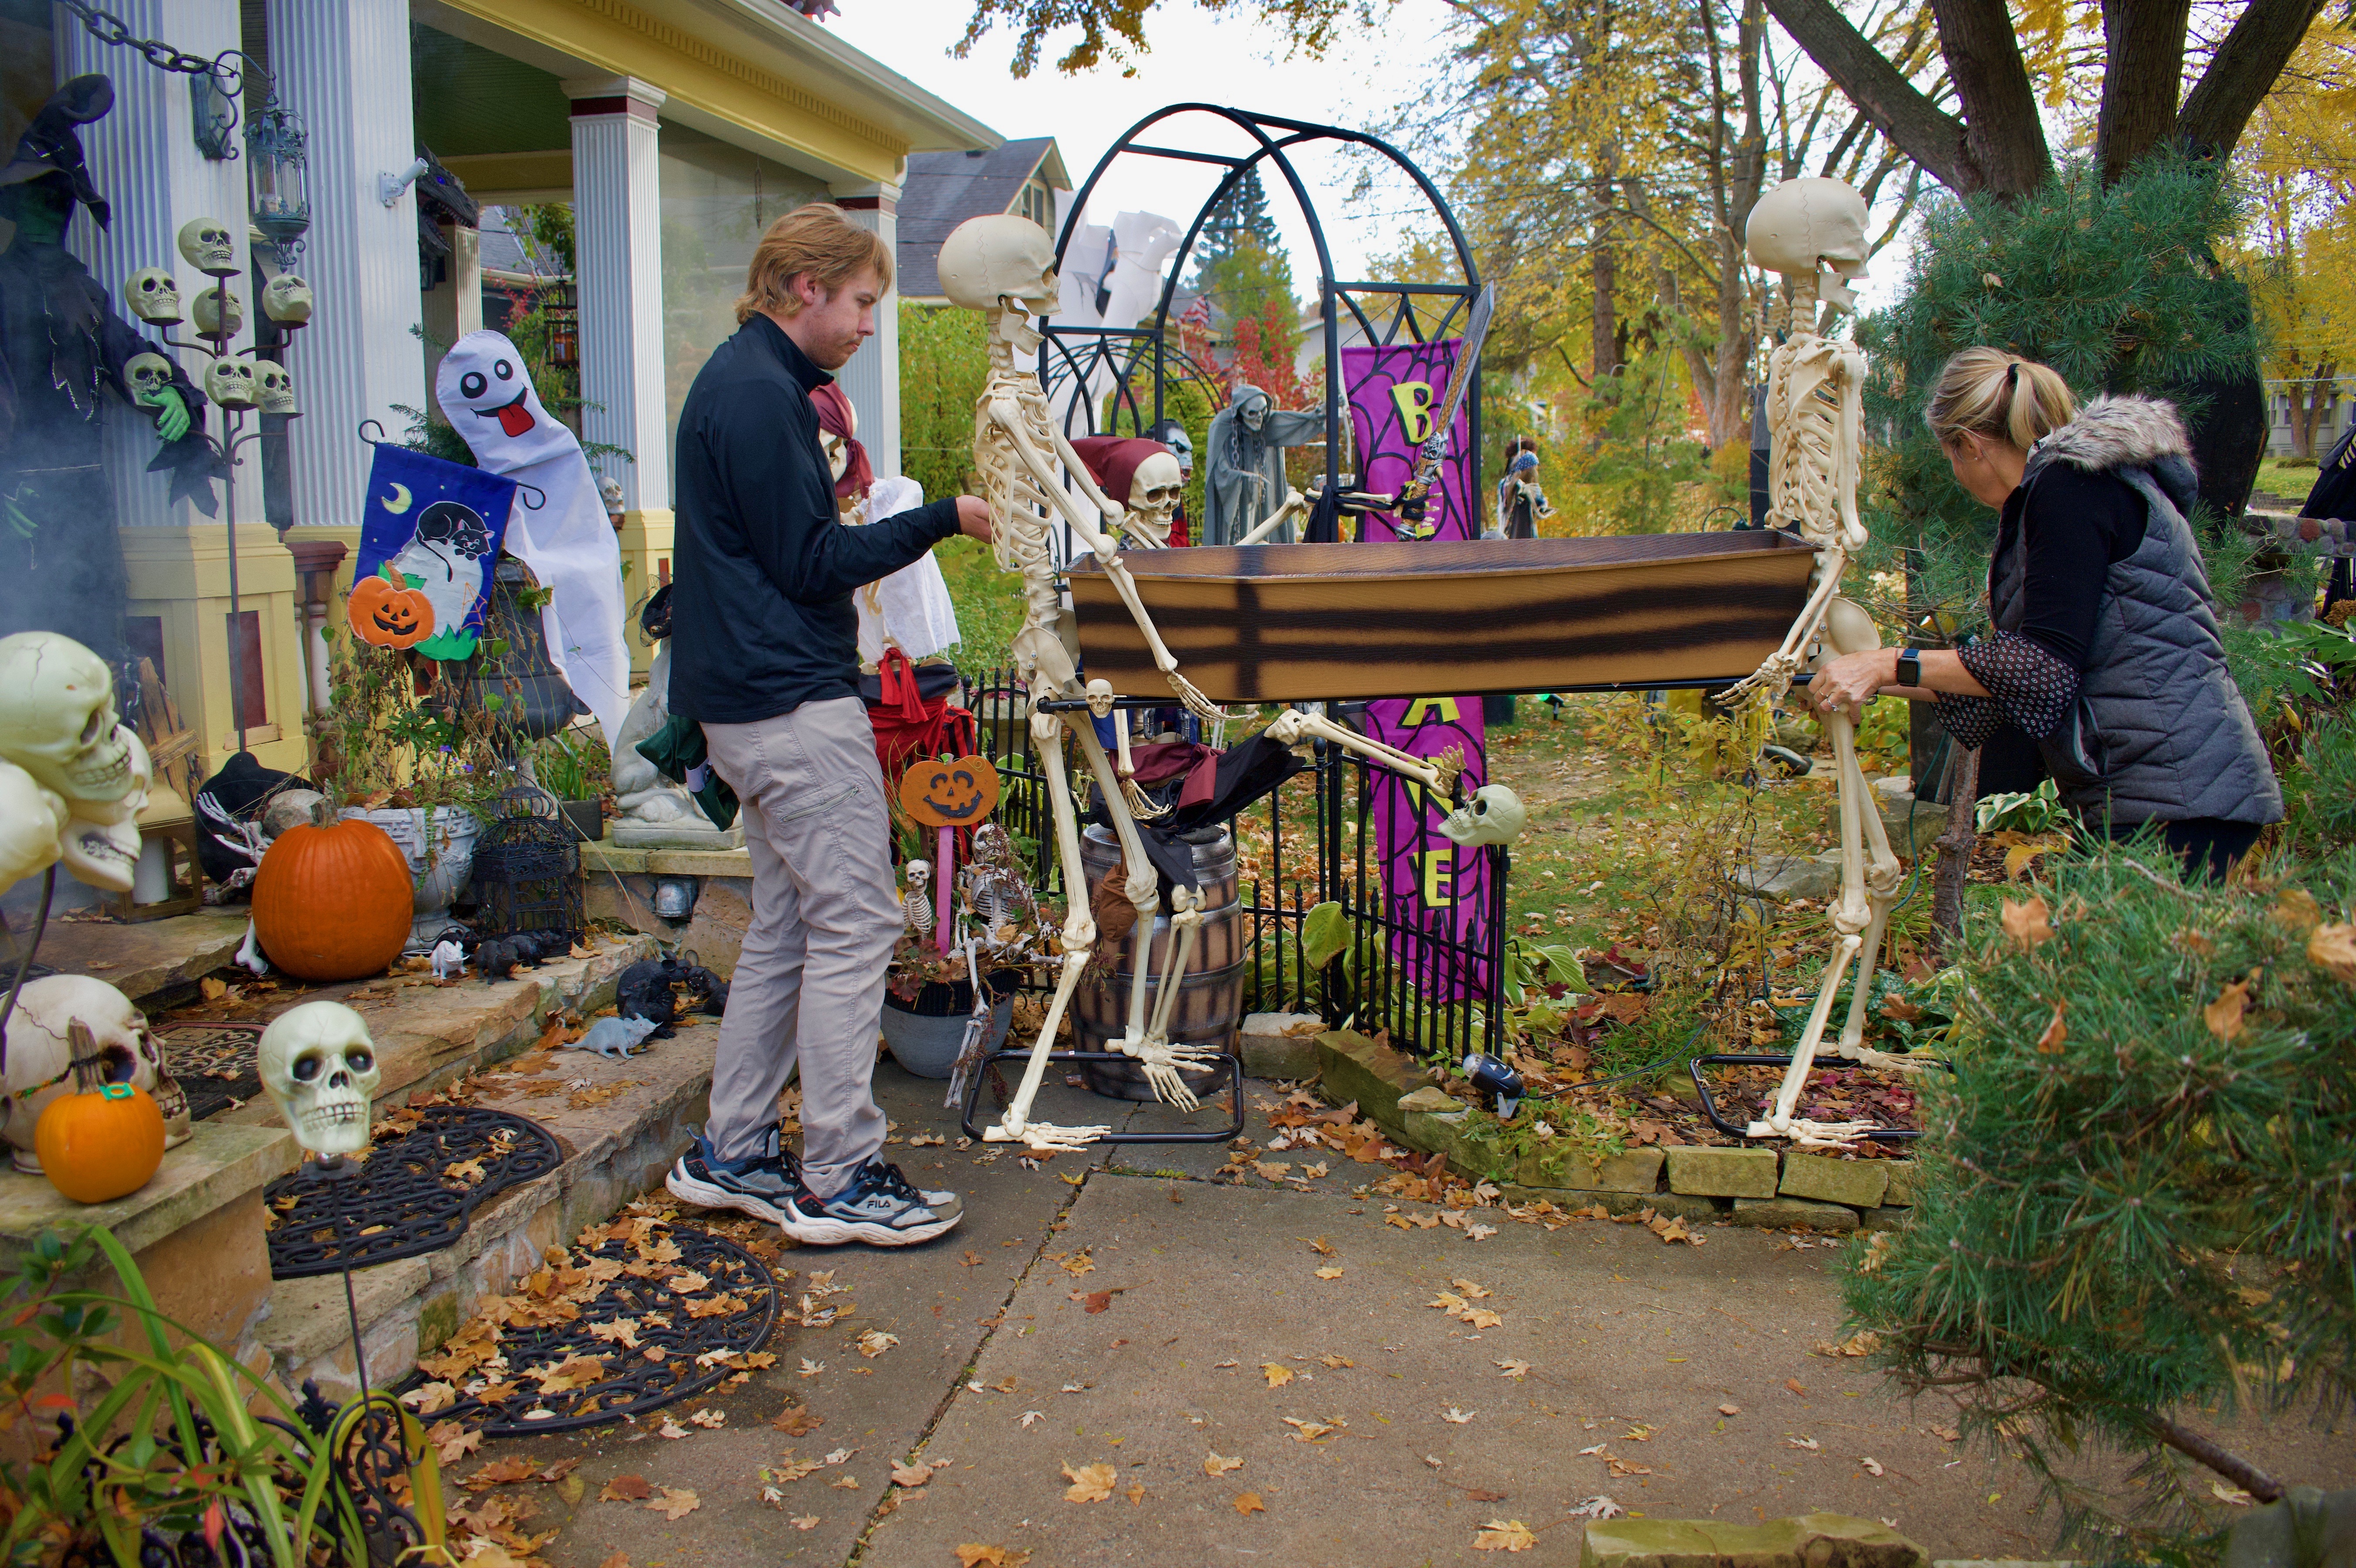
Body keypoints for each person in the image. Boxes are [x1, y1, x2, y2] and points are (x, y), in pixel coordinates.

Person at [664, 204, 992, 1245]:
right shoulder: (759, 398)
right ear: (802, 286)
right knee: (856, 923)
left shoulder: (750, 383)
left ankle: (735, 1150)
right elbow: (811, 563)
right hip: (792, 708)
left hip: (745, 708)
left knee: (788, 926)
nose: (863, 324)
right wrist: (940, 516)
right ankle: (840, 1176)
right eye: (857, 302)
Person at [1810, 348, 2281, 882]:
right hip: (2164, 788)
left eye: (1950, 457)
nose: (1958, 478)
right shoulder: (2075, 487)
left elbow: (2039, 669)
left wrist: (1888, 663)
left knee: (2089, 959)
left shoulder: (2069, 489)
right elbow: (2011, 683)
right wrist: (1860, 676)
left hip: (2174, 792)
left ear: (1967, 446)